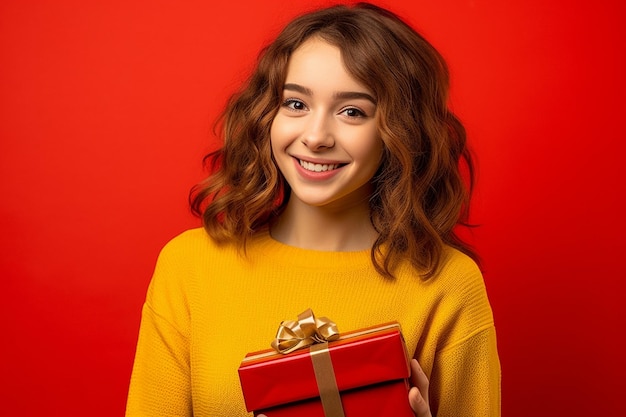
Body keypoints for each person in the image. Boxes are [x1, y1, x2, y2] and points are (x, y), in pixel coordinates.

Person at [125, 2, 500, 416]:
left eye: (352, 111)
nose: (316, 136)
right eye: (296, 104)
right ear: (266, 113)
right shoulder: (189, 267)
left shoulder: (448, 284)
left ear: (399, 130)